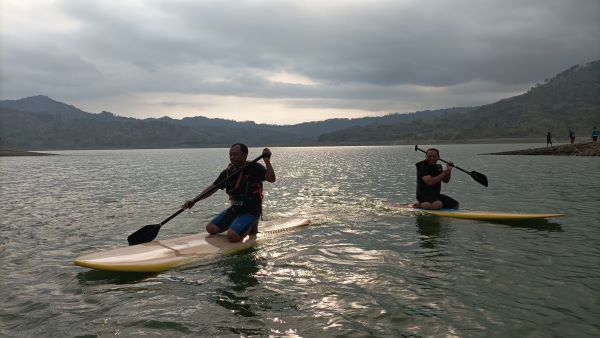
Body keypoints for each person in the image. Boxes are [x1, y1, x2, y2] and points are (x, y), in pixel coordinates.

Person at [182, 143, 275, 242]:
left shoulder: (255, 167)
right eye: (230, 155)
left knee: (232, 236)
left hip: (251, 210)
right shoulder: (227, 172)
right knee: (211, 228)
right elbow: (212, 189)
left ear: (245, 155)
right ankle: (237, 224)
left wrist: (267, 162)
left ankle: (252, 225)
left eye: (235, 155)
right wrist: (194, 200)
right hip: (235, 209)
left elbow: (271, 179)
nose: (232, 157)